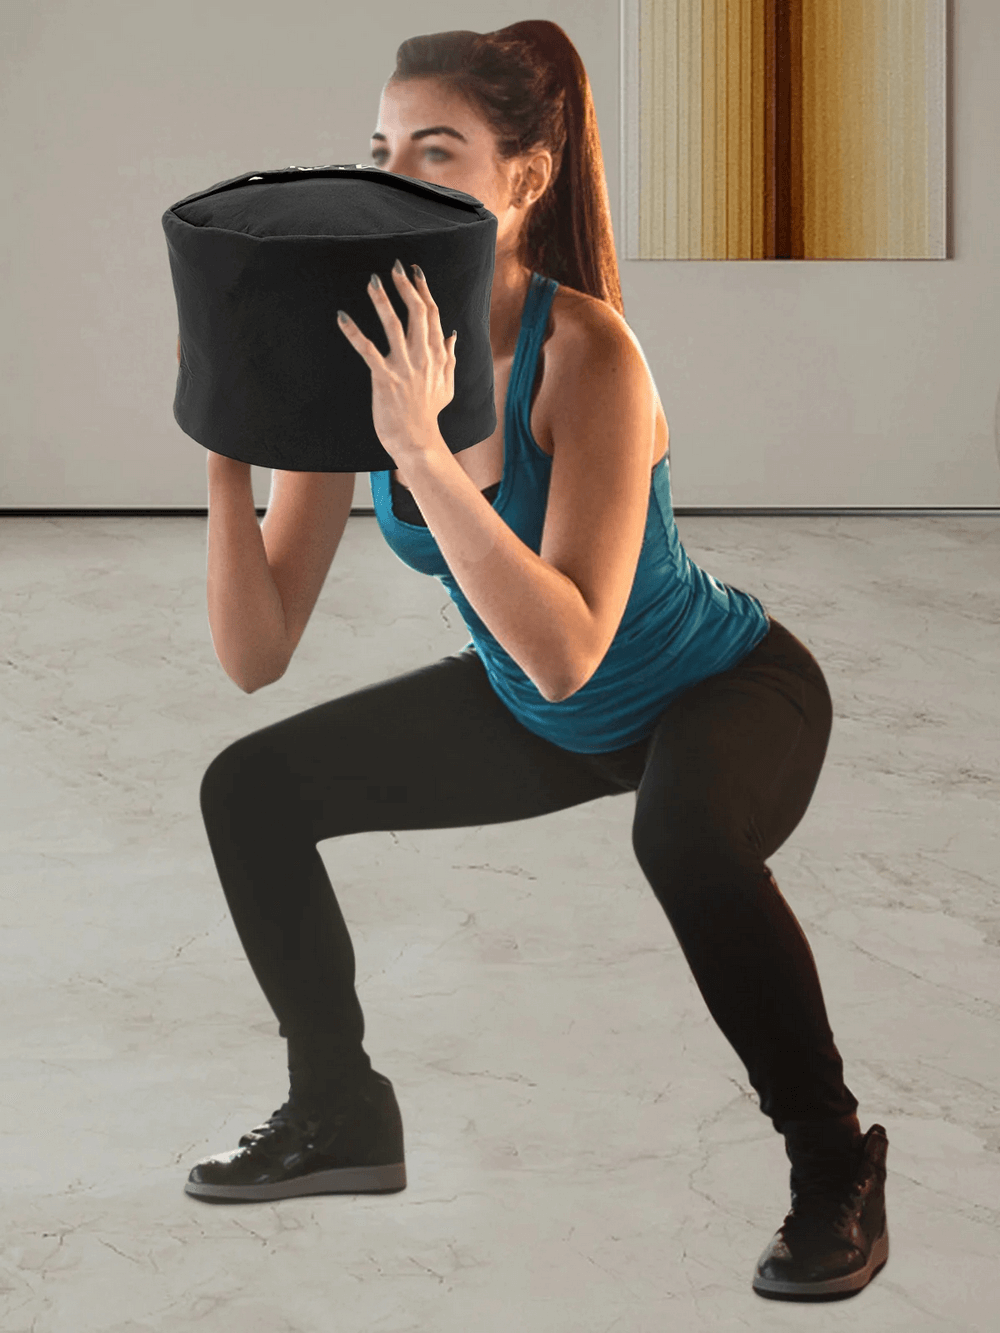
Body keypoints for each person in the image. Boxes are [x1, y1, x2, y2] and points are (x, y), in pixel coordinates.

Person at [186, 20, 889, 1303]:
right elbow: (256, 651)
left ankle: (834, 1162)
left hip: (721, 689)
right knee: (249, 787)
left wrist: (420, 452)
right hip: (542, 708)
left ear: (527, 175)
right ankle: (339, 1110)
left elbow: (569, 648)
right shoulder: (367, 353)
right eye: (382, 151)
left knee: (682, 838)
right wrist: (230, 433)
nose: (397, 180)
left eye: (437, 151)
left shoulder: (587, 354)